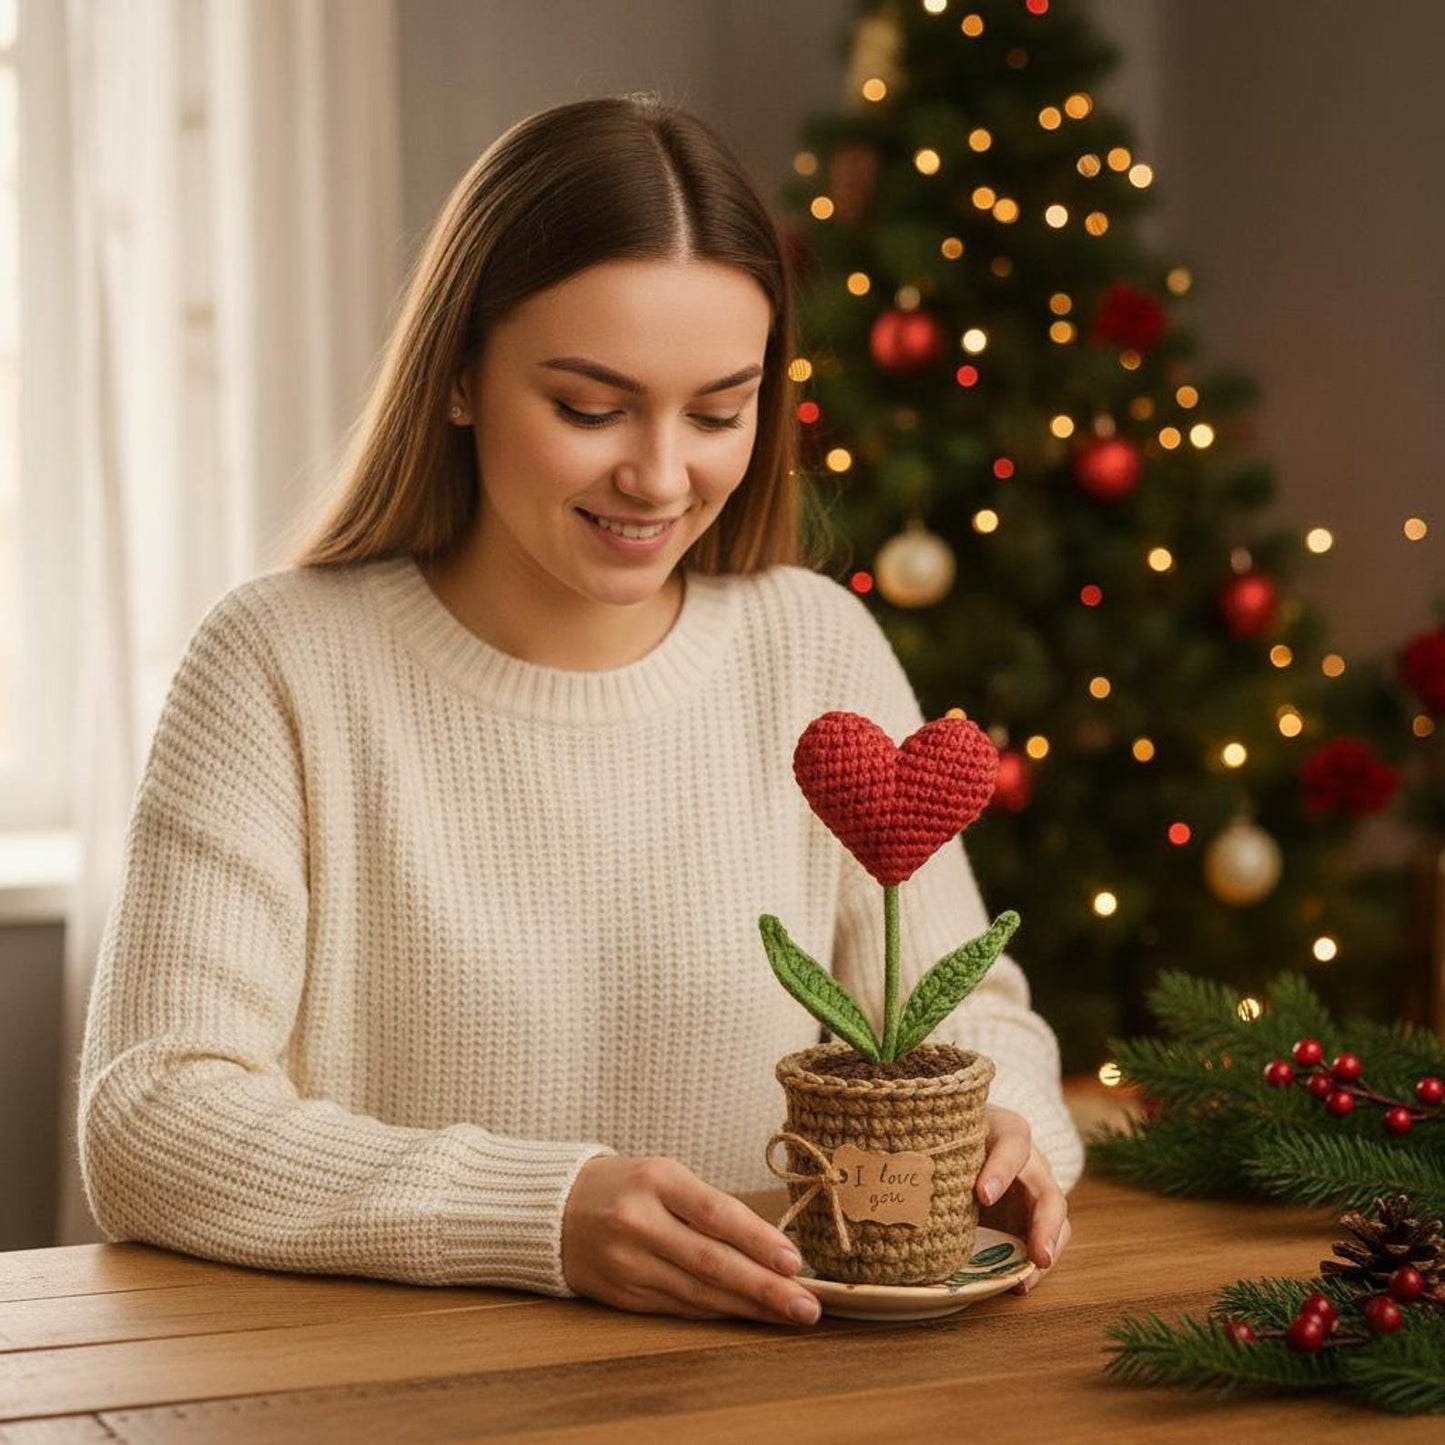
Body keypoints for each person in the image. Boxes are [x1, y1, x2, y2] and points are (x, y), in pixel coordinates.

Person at [78, 92, 1083, 1330]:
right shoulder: (279, 663)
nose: (660, 475)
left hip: (774, 1391)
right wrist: (540, 1213)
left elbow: (975, 1013)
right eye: (589, 407)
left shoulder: (811, 645)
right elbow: (152, 1114)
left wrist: (1005, 1128)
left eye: (718, 411)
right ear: (456, 377)